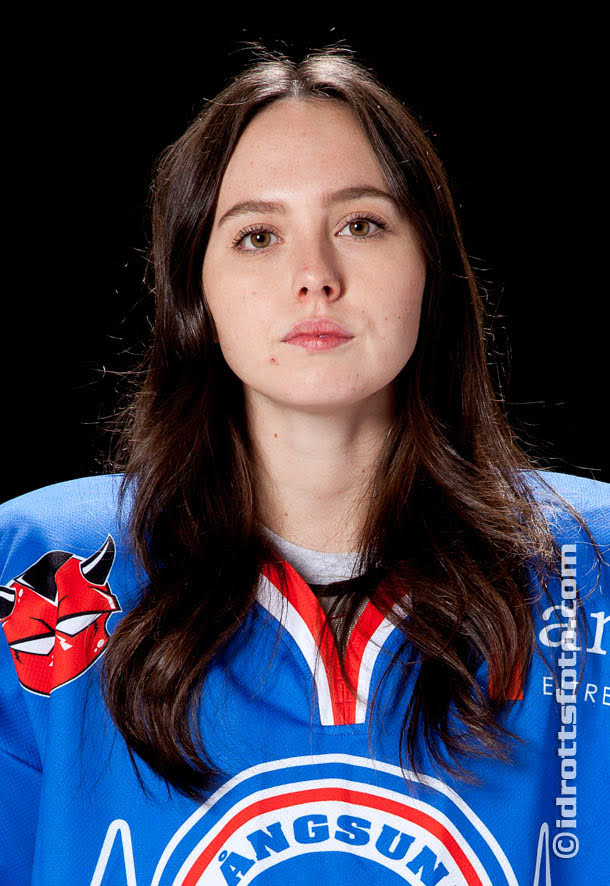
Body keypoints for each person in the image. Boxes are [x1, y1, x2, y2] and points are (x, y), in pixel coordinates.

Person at [1, 44, 608, 886]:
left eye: (362, 224)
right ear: (195, 292)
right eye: (258, 236)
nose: (315, 277)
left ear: (430, 267)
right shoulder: (39, 569)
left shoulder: (589, 566)